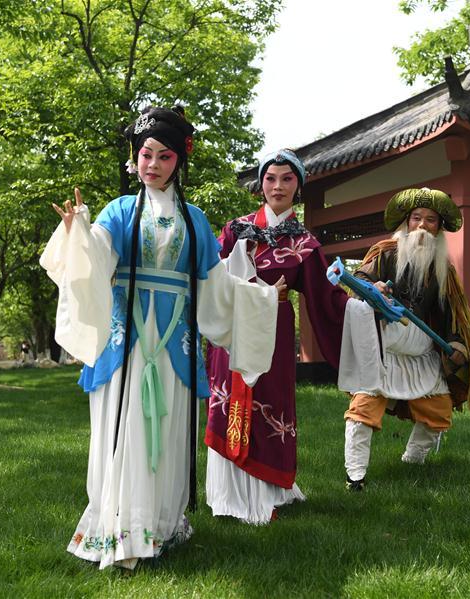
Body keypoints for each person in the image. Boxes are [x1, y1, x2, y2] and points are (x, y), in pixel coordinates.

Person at [40, 106, 283, 570]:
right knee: (124, 424)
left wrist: (261, 300)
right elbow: (97, 259)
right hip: (127, 338)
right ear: (135, 158)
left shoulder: (195, 220)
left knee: (169, 429)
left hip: (175, 340)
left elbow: (215, 287)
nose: (152, 164)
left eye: (163, 156)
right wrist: (77, 233)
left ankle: (161, 525)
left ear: (178, 162)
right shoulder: (118, 211)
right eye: (145, 154)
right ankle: (117, 527)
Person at [204, 149, 350, 524]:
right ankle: (228, 494)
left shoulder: (304, 242)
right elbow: (210, 279)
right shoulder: (235, 229)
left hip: (274, 335)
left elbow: (328, 299)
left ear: (298, 186)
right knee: (231, 401)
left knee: (269, 401)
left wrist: (364, 302)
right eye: (271, 178)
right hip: (233, 332)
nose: (278, 186)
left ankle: (269, 491)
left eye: (287, 178)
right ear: (260, 184)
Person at [337, 188, 470, 491]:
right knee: (363, 408)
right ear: (407, 223)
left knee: (439, 408)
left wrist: (457, 342)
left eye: (431, 220)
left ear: (439, 228)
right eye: (417, 218)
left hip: (422, 351)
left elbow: (452, 314)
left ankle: (413, 461)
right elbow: (359, 282)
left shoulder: (443, 270)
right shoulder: (384, 253)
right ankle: (354, 477)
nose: (423, 225)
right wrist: (374, 289)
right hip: (383, 349)